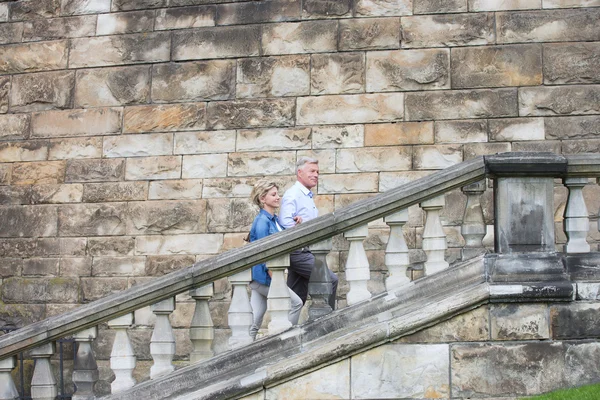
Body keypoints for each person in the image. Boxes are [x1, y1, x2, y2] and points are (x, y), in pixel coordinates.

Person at [278, 157, 338, 309]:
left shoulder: (306, 195)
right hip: (298, 253)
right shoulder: (293, 194)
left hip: (306, 252)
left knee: (296, 300)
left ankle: (286, 330)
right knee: (329, 280)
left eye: (318, 172)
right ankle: (327, 322)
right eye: (312, 171)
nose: (316, 175)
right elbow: (285, 222)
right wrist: (299, 225)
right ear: (300, 173)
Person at [247, 179, 302, 340]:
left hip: (263, 279)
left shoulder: (274, 219)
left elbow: (283, 240)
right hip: (264, 278)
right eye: (273, 194)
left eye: (277, 194)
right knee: (295, 303)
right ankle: (284, 340)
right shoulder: (262, 222)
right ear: (262, 199)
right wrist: (277, 280)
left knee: (254, 322)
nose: (278, 197)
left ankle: (240, 350)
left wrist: (295, 225)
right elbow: (265, 254)